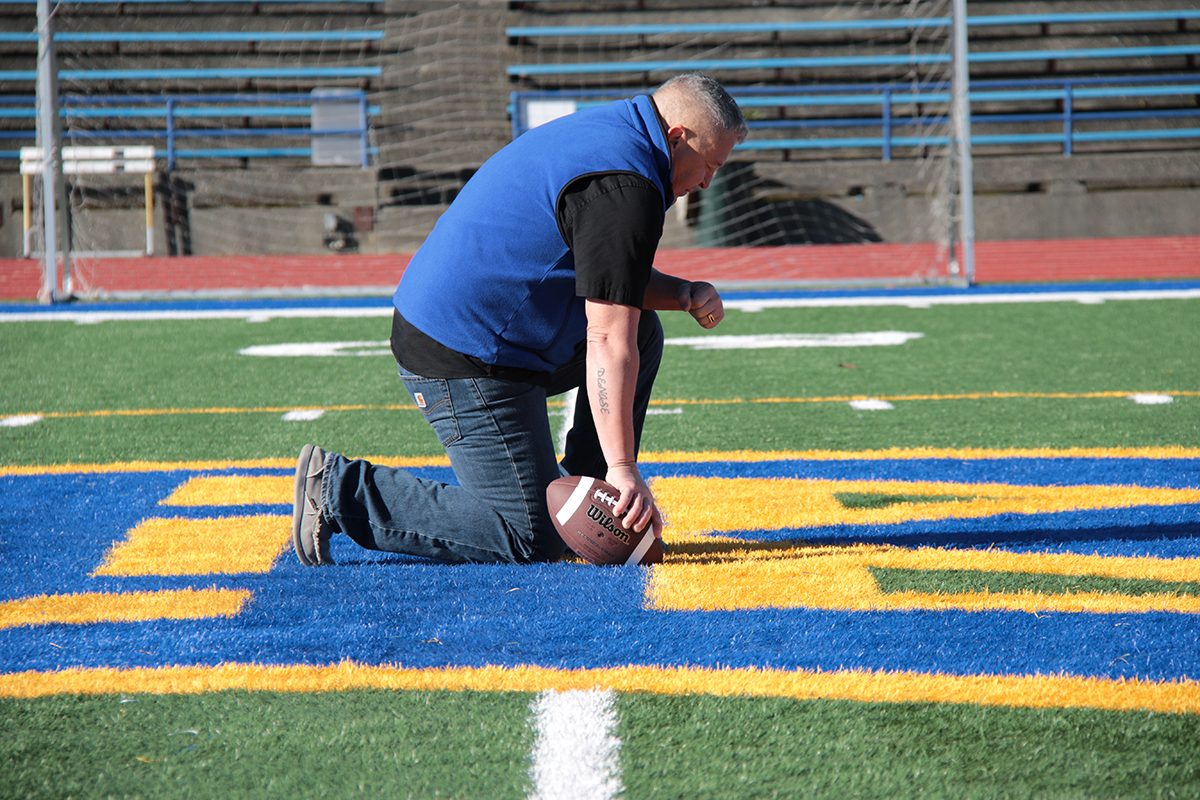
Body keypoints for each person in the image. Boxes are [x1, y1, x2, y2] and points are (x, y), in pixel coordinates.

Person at [292, 73, 747, 566]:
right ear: (678, 137)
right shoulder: (626, 184)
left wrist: (680, 292)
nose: (706, 182)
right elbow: (607, 336)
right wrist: (624, 467)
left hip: (486, 326)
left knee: (643, 327)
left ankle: (591, 494)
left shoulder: (621, 134)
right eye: (709, 166)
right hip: (463, 350)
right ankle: (340, 489)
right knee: (529, 534)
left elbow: (613, 279)